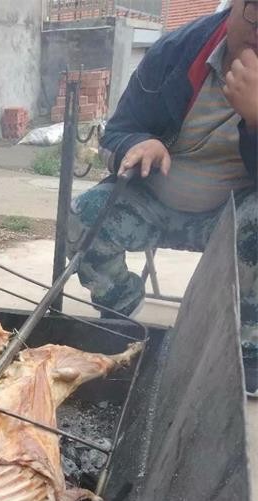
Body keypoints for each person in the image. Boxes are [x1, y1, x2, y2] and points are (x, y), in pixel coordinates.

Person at [67, 0, 258, 391]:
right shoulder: (177, 51)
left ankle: (247, 344)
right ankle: (120, 308)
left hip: (231, 216)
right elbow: (115, 134)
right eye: (255, 9)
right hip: (153, 203)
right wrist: (139, 143)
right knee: (84, 215)